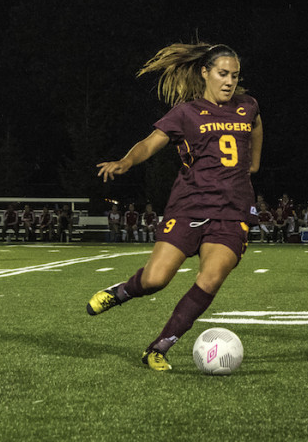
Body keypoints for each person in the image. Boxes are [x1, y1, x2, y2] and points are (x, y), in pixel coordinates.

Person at [86, 42, 262, 371]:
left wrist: (252, 164)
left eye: (235, 76)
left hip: (232, 211)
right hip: (189, 206)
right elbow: (150, 143)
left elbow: (256, 127)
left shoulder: (247, 106)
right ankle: (121, 292)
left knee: (211, 278)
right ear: (205, 72)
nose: (229, 82)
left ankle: (159, 348)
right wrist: (126, 161)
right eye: (222, 74)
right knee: (155, 279)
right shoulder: (186, 112)